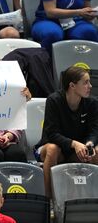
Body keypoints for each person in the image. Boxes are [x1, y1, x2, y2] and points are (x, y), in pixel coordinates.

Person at [35, 65, 98, 197]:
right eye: (86, 82)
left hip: (78, 150)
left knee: (96, 151)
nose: (90, 86)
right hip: (52, 148)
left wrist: (90, 143)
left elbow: (94, 130)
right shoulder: (54, 100)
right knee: (53, 149)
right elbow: (51, 134)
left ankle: (91, 197)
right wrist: (74, 143)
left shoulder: (92, 103)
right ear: (72, 86)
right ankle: (49, 200)